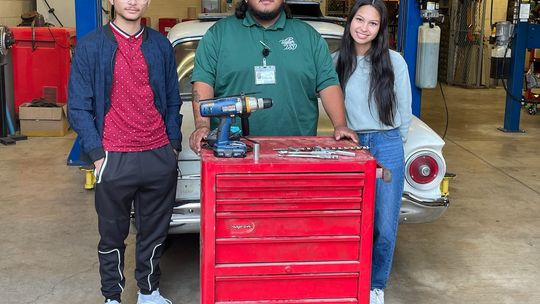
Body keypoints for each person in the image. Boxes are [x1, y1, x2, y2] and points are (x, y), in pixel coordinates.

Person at [67, 0, 181, 303]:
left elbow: (172, 99)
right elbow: (78, 106)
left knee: (154, 232)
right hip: (114, 156)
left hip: (158, 154)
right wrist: (96, 152)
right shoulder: (91, 47)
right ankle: (112, 298)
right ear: (112, 1)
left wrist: (173, 145)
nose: (132, 1)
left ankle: (148, 292)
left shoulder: (160, 45)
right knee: (112, 235)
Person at [189, 0, 358, 153]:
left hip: (298, 152)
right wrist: (202, 126)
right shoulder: (218, 35)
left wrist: (340, 125)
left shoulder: (309, 36)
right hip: (233, 152)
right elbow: (203, 82)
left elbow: (328, 84)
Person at [336, 0, 412, 303]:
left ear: (381, 29)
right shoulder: (335, 61)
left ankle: (375, 285)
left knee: (383, 222)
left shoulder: (394, 61)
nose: (364, 28)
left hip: (386, 144)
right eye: (359, 19)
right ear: (349, 20)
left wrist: (396, 142)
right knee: (348, 220)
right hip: (349, 146)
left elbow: (405, 109)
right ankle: (346, 279)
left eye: (372, 23)